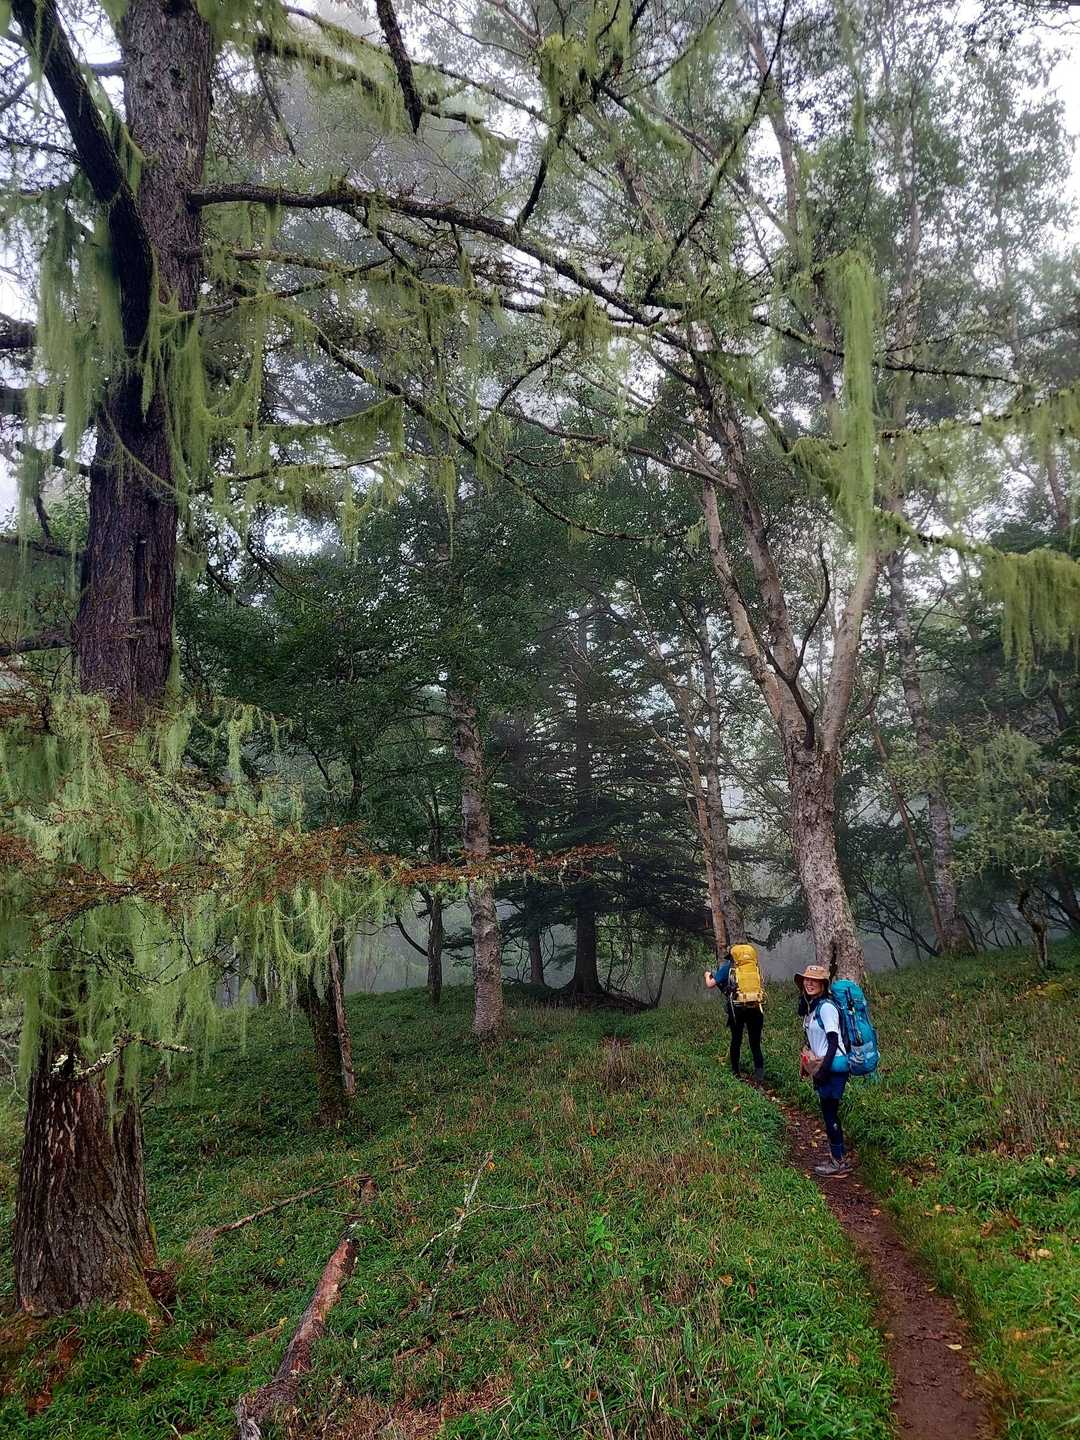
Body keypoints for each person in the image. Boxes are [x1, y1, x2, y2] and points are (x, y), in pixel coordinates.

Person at [794, 963, 851, 1176]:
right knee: (829, 1113)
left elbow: (833, 1041)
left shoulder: (826, 1007)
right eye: (807, 980)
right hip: (825, 1066)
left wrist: (822, 1072)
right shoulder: (814, 1007)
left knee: (830, 1114)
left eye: (814, 980)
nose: (809, 983)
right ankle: (838, 1156)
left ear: (823, 984)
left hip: (833, 1067)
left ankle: (839, 1162)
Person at [704, 945, 765, 1082]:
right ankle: (759, 1074)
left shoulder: (728, 967)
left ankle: (736, 1073)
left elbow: (710, 984)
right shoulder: (754, 967)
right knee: (755, 1043)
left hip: (737, 1009)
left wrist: (707, 975)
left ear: (732, 956)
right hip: (756, 1007)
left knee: (736, 1040)